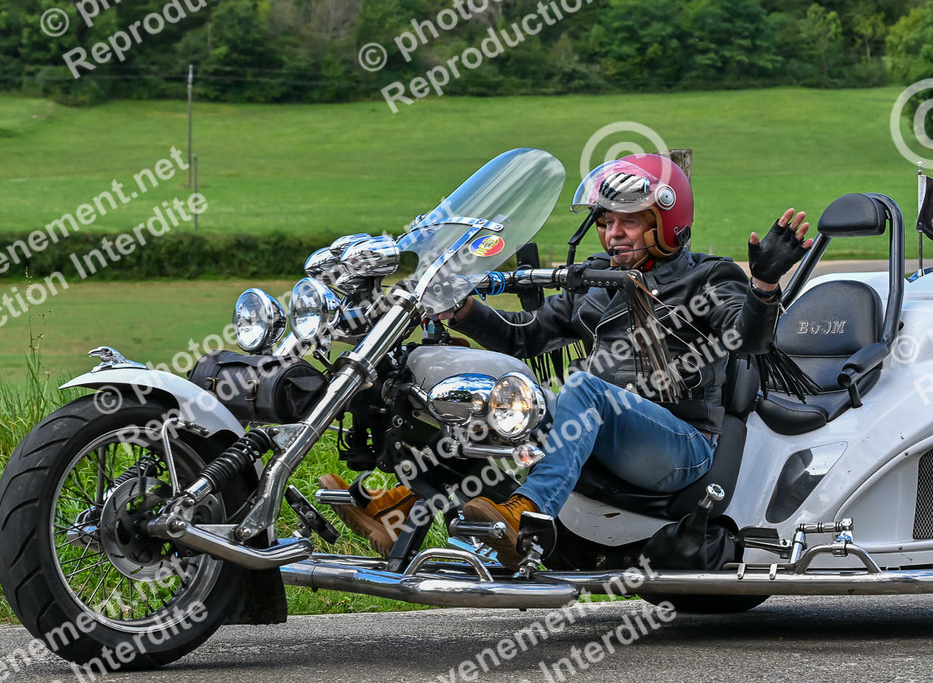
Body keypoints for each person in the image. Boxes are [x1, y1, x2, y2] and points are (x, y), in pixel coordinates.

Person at [323, 153, 812, 562]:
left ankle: (526, 516)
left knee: (581, 388)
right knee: (506, 399)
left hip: (682, 445)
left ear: (666, 224)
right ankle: (401, 509)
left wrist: (764, 285)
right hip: (602, 429)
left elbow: (747, 340)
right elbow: (525, 338)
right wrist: (465, 310)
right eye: (606, 221)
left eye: (629, 222)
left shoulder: (709, 277)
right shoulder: (599, 280)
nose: (614, 233)